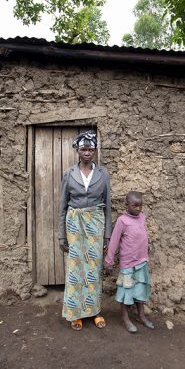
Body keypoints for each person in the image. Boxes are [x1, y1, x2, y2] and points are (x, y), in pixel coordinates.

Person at [58, 130, 111, 331]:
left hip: (95, 224)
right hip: (74, 223)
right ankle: (76, 313)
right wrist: (61, 234)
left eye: (90, 148)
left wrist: (107, 235)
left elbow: (107, 204)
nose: (87, 152)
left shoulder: (103, 174)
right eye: (83, 149)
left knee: (94, 269)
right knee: (75, 268)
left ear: (95, 150)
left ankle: (95, 311)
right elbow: (62, 206)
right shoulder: (69, 174)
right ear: (77, 151)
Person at [104, 191, 154, 333]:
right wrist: (109, 258)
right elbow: (114, 241)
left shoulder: (142, 218)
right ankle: (125, 317)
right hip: (128, 263)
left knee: (140, 290)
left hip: (141, 261)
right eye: (135, 206)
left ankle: (141, 315)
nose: (138, 208)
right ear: (127, 205)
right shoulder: (122, 221)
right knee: (126, 291)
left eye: (140, 206)